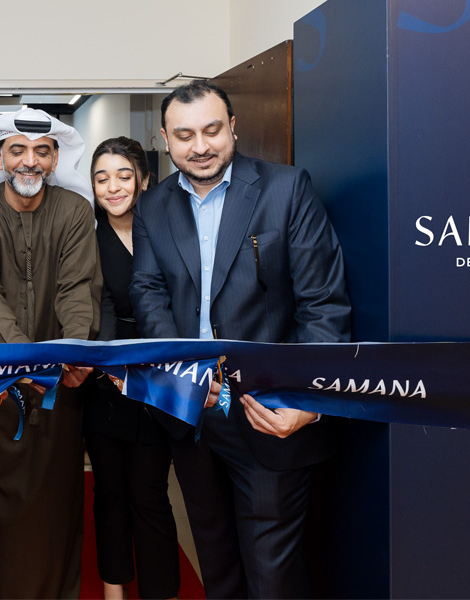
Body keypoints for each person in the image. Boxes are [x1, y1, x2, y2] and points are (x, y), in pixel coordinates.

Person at [130, 80, 351, 599]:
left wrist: (307, 398)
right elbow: (148, 295)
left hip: (270, 413)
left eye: (211, 130)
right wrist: (184, 378)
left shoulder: (286, 188)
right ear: (164, 139)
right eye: (185, 135)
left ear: (233, 127)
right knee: (218, 568)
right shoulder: (153, 205)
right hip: (193, 413)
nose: (200, 146)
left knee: (272, 578)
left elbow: (324, 302)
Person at [0, 107, 102, 599]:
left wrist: (74, 351)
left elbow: (79, 289)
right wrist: (26, 363)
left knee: (52, 500)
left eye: (41, 151)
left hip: (63, 381)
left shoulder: (75, 211)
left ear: (55, 159)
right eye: (17, 150)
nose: (29, 161)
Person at [83, 137, 180, 600]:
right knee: (109, 493)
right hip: (106, 379)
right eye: (102, 178)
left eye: (124, 176)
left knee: (150, 494)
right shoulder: (87, 238)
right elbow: (93, 304)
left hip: (162, 376)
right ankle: (113, 590)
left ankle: (161, 591)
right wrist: (106, 359)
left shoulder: (167, 230)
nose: (113, 187)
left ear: (144, 179)